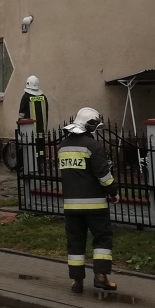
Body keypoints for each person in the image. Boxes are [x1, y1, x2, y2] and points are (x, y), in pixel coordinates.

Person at [58, 107, 117, 294]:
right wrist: (113, 192)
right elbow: (103, 175)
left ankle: (77, 282)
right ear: (90, 125)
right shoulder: (93, 146)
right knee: (102, 238)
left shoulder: (62, 147)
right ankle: (101, 276)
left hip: (71, 206)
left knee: (75, 242)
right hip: (95, 205)